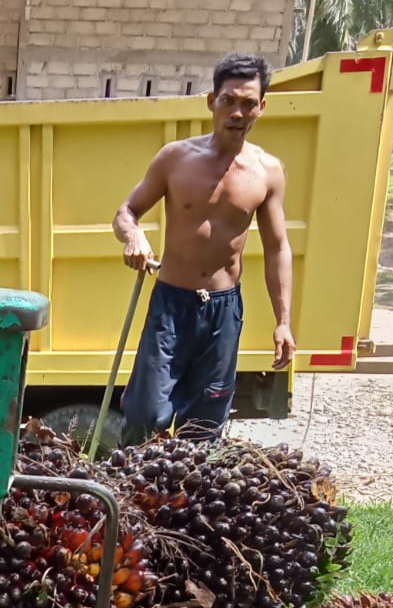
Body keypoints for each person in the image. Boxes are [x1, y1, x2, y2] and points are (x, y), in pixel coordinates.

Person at [112, 52, 296, 445]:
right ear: (211, 101)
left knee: (206, 425)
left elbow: (277, 247)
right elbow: (126, 211)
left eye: (248, 103)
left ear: (261, 108)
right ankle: (133, 496)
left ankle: (190, 502)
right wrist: (133, 235)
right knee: (146, 416)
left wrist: (283, 321)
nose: (237, 112)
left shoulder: (268, 172)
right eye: (229, 100)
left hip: (222, 312)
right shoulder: (176, 158)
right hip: (171, 305)